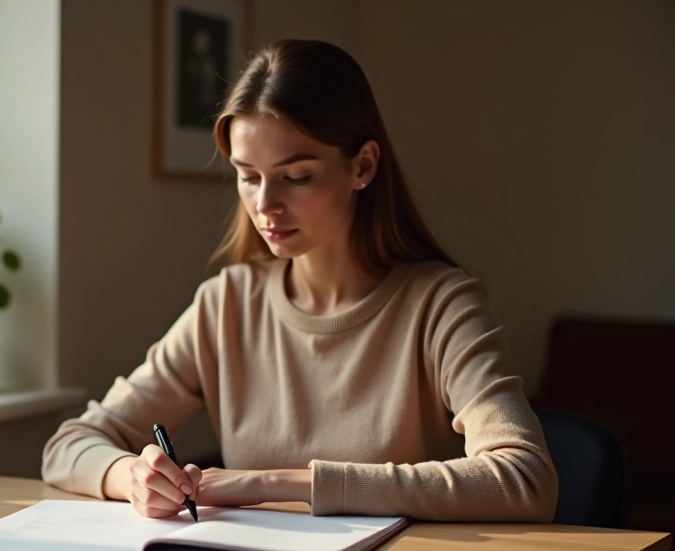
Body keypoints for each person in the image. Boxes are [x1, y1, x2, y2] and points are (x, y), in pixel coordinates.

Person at [42, 39, 558, 522]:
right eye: (248, 175)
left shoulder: (442, 305)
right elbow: (69, 444)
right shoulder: (226, 304)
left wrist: (279, 483)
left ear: (363, 165)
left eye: (295, 176)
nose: (264, 205)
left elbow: (524, 477)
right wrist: (131, 476)